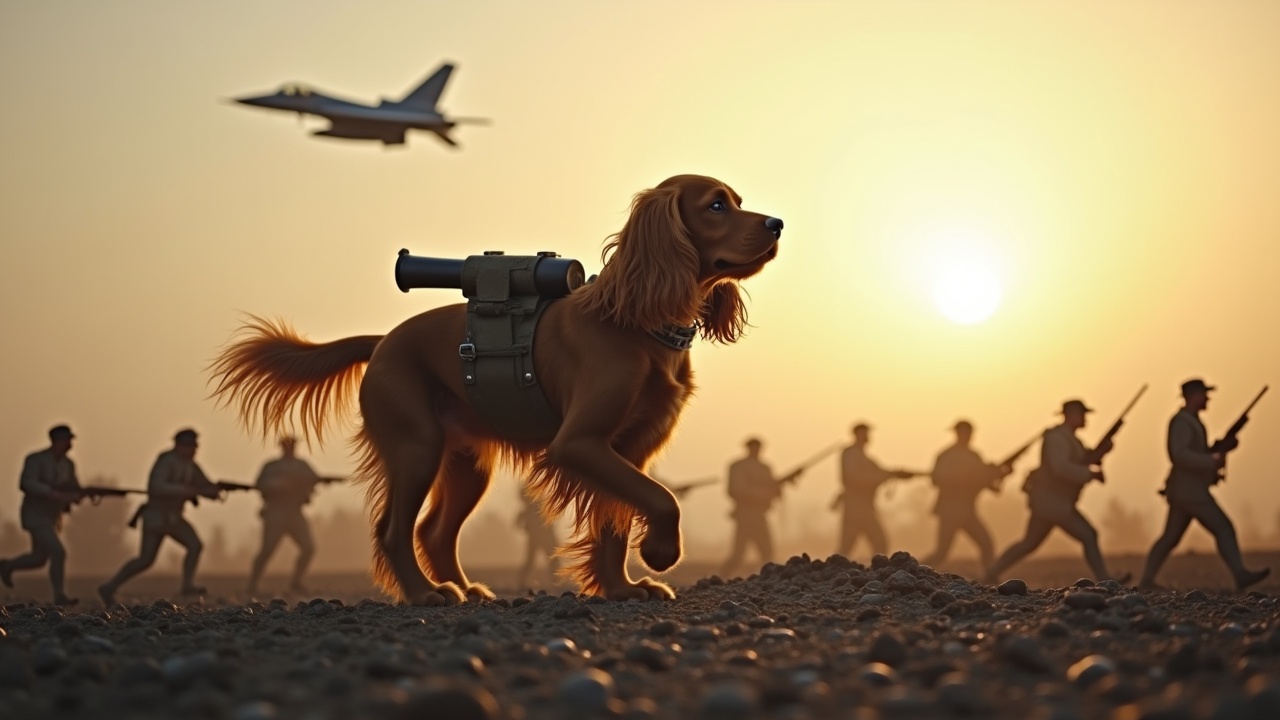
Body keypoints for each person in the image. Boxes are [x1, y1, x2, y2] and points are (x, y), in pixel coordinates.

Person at [1139, 379, 1270, 590]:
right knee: (1224, 528)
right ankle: (1239, 574)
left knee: (1170, 538)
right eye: (1204, 394)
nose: (1208, 398)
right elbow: (1179, 455)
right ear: (1193, 396)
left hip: (1186, 491)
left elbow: (1195, 453)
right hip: (1191, 492)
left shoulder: (1191, 421)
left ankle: (1146, 580)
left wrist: (1220, 452)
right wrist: (1211, 460)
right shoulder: (1181, 421)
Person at [986, 400, 1130, 584]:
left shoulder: (1070, 439)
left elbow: (1086, 459)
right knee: (1088, 535)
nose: (1085, 419)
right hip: (1053, 502)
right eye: (1082, 414)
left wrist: (1103, 451)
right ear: (1072, 415)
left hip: (1053, 501)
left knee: (1029, 543)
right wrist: (1089, 473)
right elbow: (1060, 467)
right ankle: (1105, 580)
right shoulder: (1057, 438)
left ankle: (992, 572)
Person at [98, 428, 221, 605]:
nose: (194, 450)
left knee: (194, 545)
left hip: (174, 518)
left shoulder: (191, 466)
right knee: (145, 560)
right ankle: (109, 586)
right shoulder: (166, 461)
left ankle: (187, 585)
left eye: (195, 446)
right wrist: (184, 490)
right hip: (156, 517)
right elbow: (156, 486)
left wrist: (214, 491)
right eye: (190, 446)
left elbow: (204, 485)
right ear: (180, 446)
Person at [0, 425, 83, 605]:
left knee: (38, 558)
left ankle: (7, 565)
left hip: (53, 517)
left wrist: (78, 496)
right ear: (57, 441)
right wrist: (52, 493)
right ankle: (59, 596)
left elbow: (74, 488)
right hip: (35, 514)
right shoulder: (35, 460)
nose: (69, 444)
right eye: (66, 440)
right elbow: (27, 483)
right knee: (58, 552)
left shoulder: (68, 464)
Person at [248, 436, 341, 595]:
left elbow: (313, 479)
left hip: (295, 512)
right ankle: (252, 584)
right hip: (275, 512)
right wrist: (279, 484)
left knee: (308, 547)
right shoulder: (271, 466)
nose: (291, 449)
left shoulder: (302, 466)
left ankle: (296, 581)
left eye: (293, 446)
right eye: (288, 446)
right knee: (267, 550)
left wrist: (313, 484)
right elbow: (259, 484)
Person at [922, 420, 1011, 570]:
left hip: (967, 510)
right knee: (941, 553)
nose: (968, 436)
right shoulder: (946, 456)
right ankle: (911, 571)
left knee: (986, 544)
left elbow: (986, 481)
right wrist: (966, 479)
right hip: (950, 511)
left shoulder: (974, 456)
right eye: (965, 432)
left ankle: (990, 575)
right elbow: (936, 479)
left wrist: (1000, 474)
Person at [833, 423, 917, 559]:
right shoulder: (850, 454)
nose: (867, 437)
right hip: (855, 507)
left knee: (878, 543)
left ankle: (875, 572)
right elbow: (856, 477)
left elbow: (880, 471)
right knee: (848, 547)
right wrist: (886, 476)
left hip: (865, 507)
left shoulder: (865, 457)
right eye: (864, 433)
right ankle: (829, 574)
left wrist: (896, 473)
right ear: (857, 435)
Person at [720, 437, 801, 578]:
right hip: (745, 514)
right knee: (739, 553)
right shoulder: (738, 466)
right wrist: (758, 493)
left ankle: (766, 580)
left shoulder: (765, 468)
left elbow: (773, 490)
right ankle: (721, 578)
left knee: (767, 551)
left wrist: (781, 485)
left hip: (760, 513)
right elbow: (735, 489)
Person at [515, 484, 561, 588]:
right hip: (540, 538)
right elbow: (518, 523)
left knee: (550, 559)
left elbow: (518, 523)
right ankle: (555, 581)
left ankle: (555, 581)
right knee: (535, 560)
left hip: (542, 537)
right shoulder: (532, 509)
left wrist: (527, 527)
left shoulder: (536, 507)